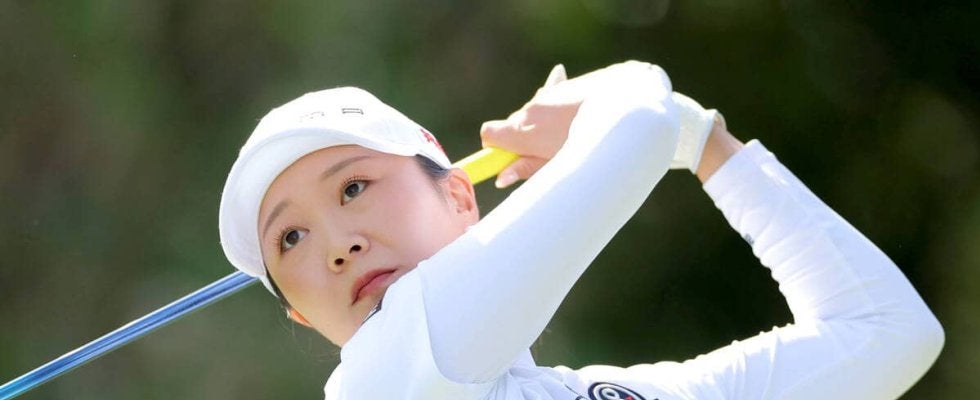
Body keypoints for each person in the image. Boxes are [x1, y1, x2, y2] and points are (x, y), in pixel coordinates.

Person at [217, 61, 944, 399]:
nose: (337, 245)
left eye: (353, 187)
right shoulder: (380, 385)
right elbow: (638, 126)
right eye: (290, 240)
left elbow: (889, 333)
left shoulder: (610, 394)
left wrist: (703, 143)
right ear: (298, 312)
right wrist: (624, 92)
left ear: (460, 196)